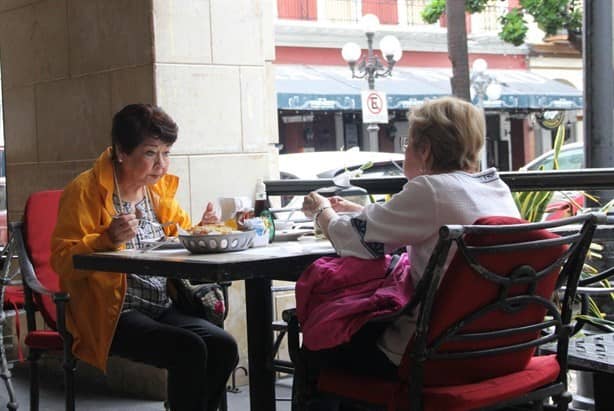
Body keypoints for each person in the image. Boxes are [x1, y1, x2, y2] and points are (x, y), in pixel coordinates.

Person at [301, 96, 520, 379]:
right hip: (495, 346)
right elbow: (425, 219)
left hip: (428, 354)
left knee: (317, 345)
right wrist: (362, 211)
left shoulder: (430, 189)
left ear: (425, 150)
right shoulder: (494, 187)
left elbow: (352, 240)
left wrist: (322, 211)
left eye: (407, 144)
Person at [51, 103, 238, 411]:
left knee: (223, 346)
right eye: (151, 153)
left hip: (161, 303)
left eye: (166, 153)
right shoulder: (85, 191)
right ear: (122, 152)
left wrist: (201, 230)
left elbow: (178, 238)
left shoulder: (157, 191)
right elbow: (61, 260)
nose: (161, 165)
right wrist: (105, 239)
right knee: (188, 349)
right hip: (111, 314)